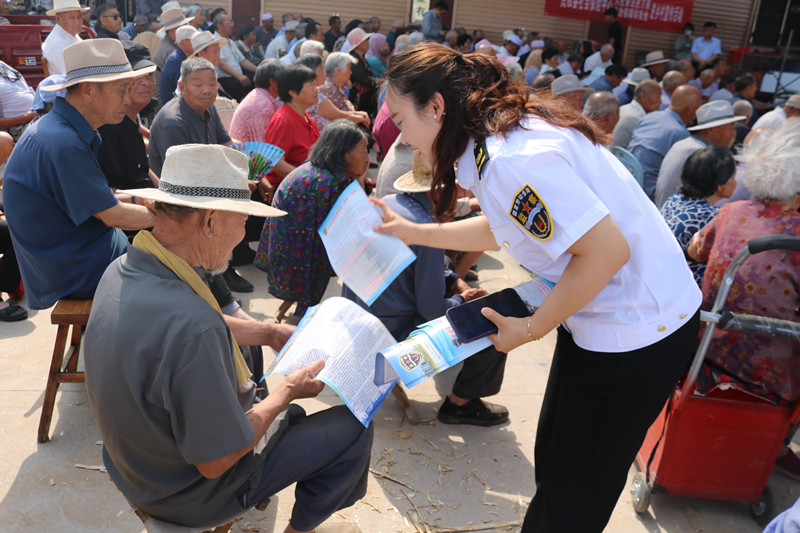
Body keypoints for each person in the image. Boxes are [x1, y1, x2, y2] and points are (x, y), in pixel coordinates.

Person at [378, 43, 701, 533]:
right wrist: (419, 233)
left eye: (400, 120)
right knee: (557, 463)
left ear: (437, 107)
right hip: (600, 320)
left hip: (634, 333)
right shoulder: (495, 139)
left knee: (573, 498)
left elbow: (606, 252)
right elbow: (511, 225)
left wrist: (530, 329)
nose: (398, 136)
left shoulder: (511, 160)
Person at [84, 143, 373, 533]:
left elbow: (195, 329)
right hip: (187, 495)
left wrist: (269, 331)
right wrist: (284, 392)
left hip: (134, 465)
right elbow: (215, 462)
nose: (243, 235)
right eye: (243, 221)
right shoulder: (194, 326)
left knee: (251, 348)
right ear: (210, 222)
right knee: (356, 429)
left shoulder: (123, 268)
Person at [344, 153, 509, 426]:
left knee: (450, 280)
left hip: (360, 327)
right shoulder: (424, 228)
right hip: (390, 338)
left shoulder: (388, 204)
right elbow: (432, 310)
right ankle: (461, 404)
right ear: (439, 192)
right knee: (497, 318)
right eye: (458, 192)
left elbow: (420, 268)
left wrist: (454, 281)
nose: (461, 199)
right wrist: (460, 299)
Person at [2, 39, 156, 310]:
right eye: (121, 90)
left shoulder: (63, 128)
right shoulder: (63, 142)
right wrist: (171, 214)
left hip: (80, 253)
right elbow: (113, 215)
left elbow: (104, 197)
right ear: (87, 91)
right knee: (178, 269)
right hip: (75, 269)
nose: (127, 99)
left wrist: (145, 201)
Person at [688, 118, 800, 478]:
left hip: (706, 347)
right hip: (768, 369)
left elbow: (696, 250)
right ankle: (779, 446)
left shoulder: (729, 212)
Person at [256, 121, 370, 317]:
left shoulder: (323, 173)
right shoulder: (325, 184)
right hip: (295, 260)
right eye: (363, 150)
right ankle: (305, 310)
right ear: (343, 154)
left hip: (293, 251)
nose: (368, 158)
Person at [660, 145, 736, 285]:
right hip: (686, 289)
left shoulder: (675, 199)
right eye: (733, 176)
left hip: (661, 277)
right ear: (720, 186)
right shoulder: (712, 217)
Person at [654, 100, 744, 208]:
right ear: (711, 129)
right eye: (730, 127)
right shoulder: (701, 154)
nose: (734, 133)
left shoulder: (685, 144)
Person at [98, 41, 158, 192]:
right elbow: (110, 192)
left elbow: (142, 169)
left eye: (149, 75)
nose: (146, 82)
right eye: (137, 76)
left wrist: (166, 192)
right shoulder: (108, 125)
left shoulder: (130, 116)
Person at [628, 84, 702, 199]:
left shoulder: (649, 117)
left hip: (629, 180)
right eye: (698, 109)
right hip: (649, 193)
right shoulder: (680, 134)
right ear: (689, 110)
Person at [263, 65, 320, 189]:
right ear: (292, 92)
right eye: (311, 85)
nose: (317, 89)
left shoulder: (306, 117)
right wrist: (307, 177)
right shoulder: (283, 120)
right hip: (291, 188)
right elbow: (276, 163)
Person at [309, 53, 370, 134]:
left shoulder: (336, 86)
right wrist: (361, 117)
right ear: (338, 70)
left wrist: (360, 114)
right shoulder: (328, 88)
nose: (351, 72)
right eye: (349, 69)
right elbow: (339, 115)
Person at [228, 59, 284, 143]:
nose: (287, 84)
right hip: (246, 154)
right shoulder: (263, 105)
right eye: (284, 79)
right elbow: (263, 149)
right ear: (272, 82)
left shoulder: (260, 95)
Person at [214, 13, 256, 102]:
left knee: (256, 78)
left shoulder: (229, 40)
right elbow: (221, 63)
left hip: (236, 76)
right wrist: (239, 76)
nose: (232, 25)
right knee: (237, 85)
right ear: (220, 26)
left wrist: (259, 70)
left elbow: (243, 61)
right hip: (225, 78)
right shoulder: (215, 40)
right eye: (229, 23)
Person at [41, 0, 88, 77]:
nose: (77, 22)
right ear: (58, 19)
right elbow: (71, 77)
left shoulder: (71, 35)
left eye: (79, 17)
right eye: (72, 18)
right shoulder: (57, 43)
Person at [160, 25, 198, 104]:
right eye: (193, 39)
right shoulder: (175, 60)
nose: (196, 41)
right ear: (182, 42)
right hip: (174, 106)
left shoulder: (187, 57)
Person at [0, 61, 36, 142]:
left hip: (37, 114)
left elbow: (26, 90)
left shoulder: (2, 66)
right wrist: (25, 118)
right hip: (18, 128)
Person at [347, 28, 379, 118]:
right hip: (359, 101)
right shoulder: (354, 59)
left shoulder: (360, 58)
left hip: (365, 100)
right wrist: (381, 82)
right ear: (359, 44)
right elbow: (364, 79)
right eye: (366, 40)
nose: (368, 42)